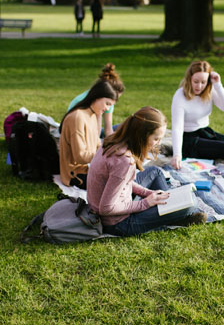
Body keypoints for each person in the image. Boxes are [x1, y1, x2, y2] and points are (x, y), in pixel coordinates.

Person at [87, 106, 207, 237]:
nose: (158, 143)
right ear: (141, 135)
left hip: (112, 203)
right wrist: (146, 203)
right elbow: (106, 208)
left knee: (155, 172)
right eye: (156, 139)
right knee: (190, 206)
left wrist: (149, 193)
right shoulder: (124, 161)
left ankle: (168, 205)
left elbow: (120, 182)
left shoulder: (114, 140)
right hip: (117, 223)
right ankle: (174, 213)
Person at [59, 80, 119, 189]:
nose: (108, 109)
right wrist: (105, 156)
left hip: (91, 168)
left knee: (124, 174)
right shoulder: (77, 117)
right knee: (121, 183)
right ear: (96, 97)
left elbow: (97, 145)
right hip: (77, 175)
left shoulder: (92, 115)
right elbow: (80, 156)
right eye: (107, 103)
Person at [68, 63, 125, 138]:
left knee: (127, 127)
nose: (113, 102)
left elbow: (108, 130)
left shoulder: (106, 103)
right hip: (84, 133)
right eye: (113, 98)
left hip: (95, 133)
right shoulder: (85, 102)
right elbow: (94, 137)